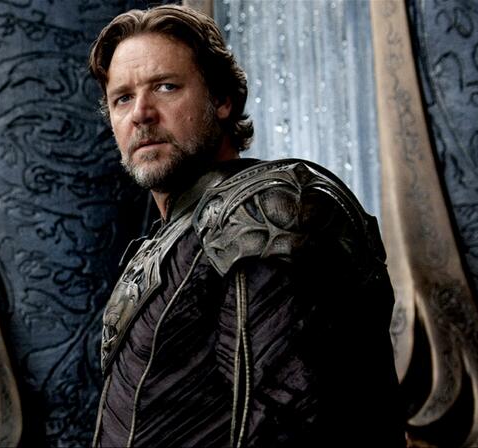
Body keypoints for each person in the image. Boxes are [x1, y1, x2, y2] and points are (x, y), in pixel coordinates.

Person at [87, 5, 402, 447]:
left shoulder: (262, 210)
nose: (141, 113)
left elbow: (290, 420)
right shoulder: (172, 237)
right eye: (122, 98)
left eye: (165, 87)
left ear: (222, 100)